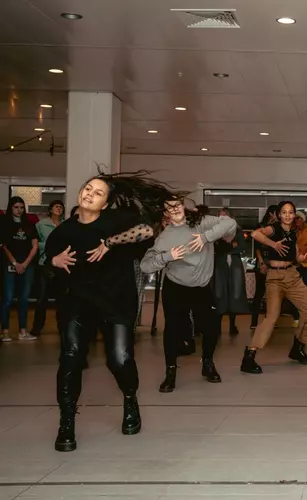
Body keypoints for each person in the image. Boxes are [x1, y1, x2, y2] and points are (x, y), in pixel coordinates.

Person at [46, 171, 175, 452]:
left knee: (119, 360)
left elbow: (147, 231)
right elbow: (49, 260)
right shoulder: (63, 231)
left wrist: (109, 242)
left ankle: (130, 399)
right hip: (77, 303)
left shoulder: (117, 220)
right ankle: (66, 423)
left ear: (105, 204)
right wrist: (53, 260)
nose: (90, 193)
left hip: (116, 301)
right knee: (70, 357)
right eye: (88, 188)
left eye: (98, 192)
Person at [141, 199, 237, 392]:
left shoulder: (201, 223)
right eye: (169, 207)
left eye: (177, 204)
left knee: (211, 327)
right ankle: (170, 372)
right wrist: (167, 257)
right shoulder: (164, 238)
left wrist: (205, 238)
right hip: (175, 287)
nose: (174, 209)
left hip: (201, 288)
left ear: (184, 208)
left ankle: (207, 364)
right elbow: (145, 265)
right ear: (165, 213)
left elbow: (230, 223)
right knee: (172, 330)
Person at [241, 201, 307, 373]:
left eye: (291, 212)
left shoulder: (294, 233)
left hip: (292, 276)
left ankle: (297, 348)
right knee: (271, 318)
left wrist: (306, 256)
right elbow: (255, 234)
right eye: (284, 212)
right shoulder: (274, 229)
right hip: (275, 278)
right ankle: (249, 356)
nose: (287, 215)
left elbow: (298, 257)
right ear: (279, 215)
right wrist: (274, 244)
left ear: (294, 215)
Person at [1, 196, 39, 342]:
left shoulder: (29, 224)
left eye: (21, 207)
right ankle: (5, 332)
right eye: (16, 207)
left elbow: (35, 246)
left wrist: (25, 264)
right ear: (11, 208)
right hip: (9, 264)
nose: (19, 210)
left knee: (24, 298)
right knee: (8, 298)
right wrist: (15, 263)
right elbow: (4, 246)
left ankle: (23, 331)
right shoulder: (4, 224)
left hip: (27, 265)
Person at [30, 200, 66, 338]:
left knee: (61, 299)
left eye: (61, 207)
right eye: (56, 206)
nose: (59, 208)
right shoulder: (40, 224)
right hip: (45, 263)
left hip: (61, 264)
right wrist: (50, 245)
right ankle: (36, 328)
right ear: (50, 209)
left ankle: (62, 328)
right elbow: (34, 244)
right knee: (42, 298)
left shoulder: (66, 225)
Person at [213, 207, 248, 336]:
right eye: (220, 216)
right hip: (220, 264)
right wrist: (231, 246)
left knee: (235, 291)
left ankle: (233, 324)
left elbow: (242, 247)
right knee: (219, 291)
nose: (223, 219)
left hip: (234, 264)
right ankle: (218, 324)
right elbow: (216, 248)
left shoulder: (238, 231)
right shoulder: (214, 232)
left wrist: (227, 248)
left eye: (225, 216)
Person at [251, 205, 278, 329]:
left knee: (272, 294)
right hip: (262, 260)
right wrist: (261, 263)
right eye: (276, 213)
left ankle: (270, 322)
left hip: (274, 262)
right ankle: (254, 321)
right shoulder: (261, 226)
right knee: (259, 292)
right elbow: (257, 246)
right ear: (271, 213)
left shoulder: (278, 227)